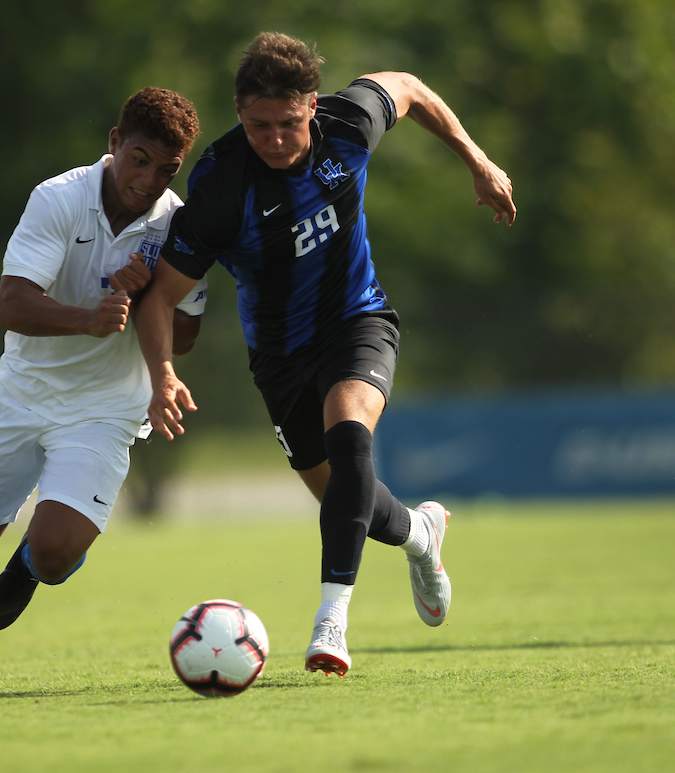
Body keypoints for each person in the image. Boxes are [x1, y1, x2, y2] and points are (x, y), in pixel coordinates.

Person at [136, 33, 516, 676]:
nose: (275, 139)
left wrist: (476, 159)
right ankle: (422, 535)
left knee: (350, 441)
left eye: (288, 123)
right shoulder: (222, 189)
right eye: (259, 126)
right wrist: (163, 373)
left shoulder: (348, 123)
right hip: (279, 356)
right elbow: (158, 299)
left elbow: (411, 87)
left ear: (313, 106)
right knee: (350, 500)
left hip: (357, 320)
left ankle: (330, 624)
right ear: (239, 112)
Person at [0, 87, 206, 694]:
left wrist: (149, 295)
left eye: (166, 168)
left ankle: (30, 565)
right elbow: (11, 304)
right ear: (114, 144)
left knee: (57, 552)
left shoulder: (176, 224)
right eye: (139, 158)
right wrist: (87, 317)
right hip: (22, 393)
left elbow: (186, 336)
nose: (147, 179)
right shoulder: (58, 198)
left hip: (106, 407)